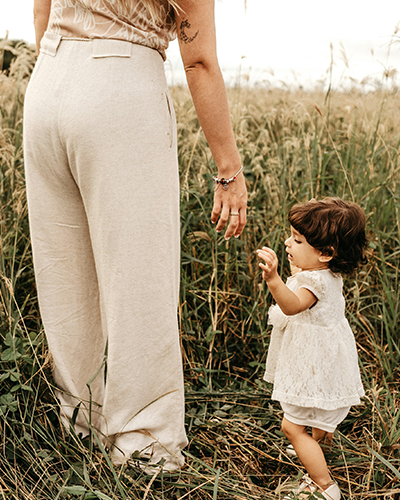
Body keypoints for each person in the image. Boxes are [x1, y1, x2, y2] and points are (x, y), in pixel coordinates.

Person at [24, 0, 247, 472]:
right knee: (139, 272)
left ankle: (78, 420)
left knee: (64, 267)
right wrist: (229, 168)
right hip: (119, 84)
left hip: (48, 77)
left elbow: (42, 12)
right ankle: (145, 444)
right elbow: (200, 59)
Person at [257, 198, 366, 500]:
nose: (287, 243)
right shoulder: (327, 274)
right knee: (318, 420)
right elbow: (306, 277)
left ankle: (324, 485)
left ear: (326, 253)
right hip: (329, 359)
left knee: (291, 427)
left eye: (297, 239)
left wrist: (274, 279)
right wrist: (297, 265)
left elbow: (292, 306)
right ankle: (317, 445)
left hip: (312, 365)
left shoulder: (311, 283)